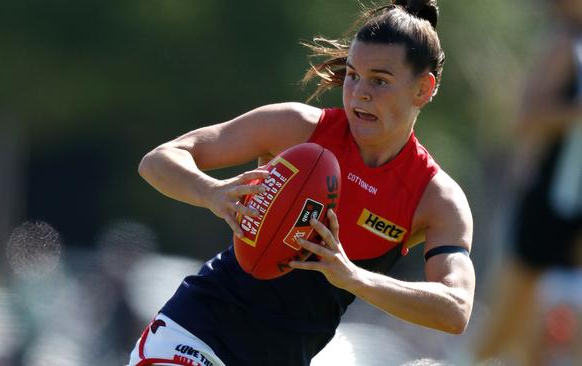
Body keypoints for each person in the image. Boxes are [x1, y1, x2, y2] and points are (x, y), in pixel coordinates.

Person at [128, 1, 475, 365]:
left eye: (380, 80)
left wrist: (354, 277)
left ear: (423, 88)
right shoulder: (296, 128)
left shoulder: (435, 199)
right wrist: (211, 192)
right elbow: (159, 160)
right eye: (353, 74)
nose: (359, 92)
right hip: (196, 330)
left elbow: (455, 309)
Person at [474, 0, 582, 364]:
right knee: (505, 330)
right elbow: (525, 119)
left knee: (550, 341)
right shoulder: (567, 45)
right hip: (551, 204)